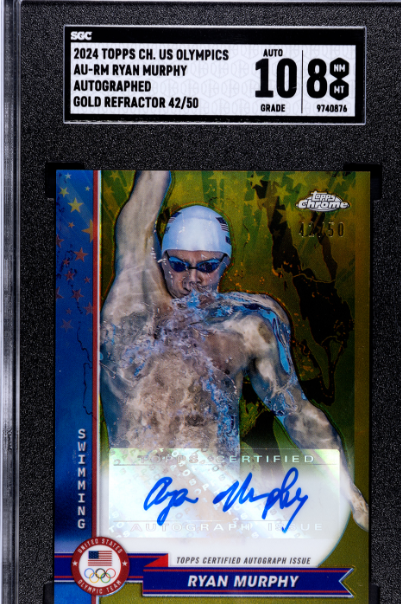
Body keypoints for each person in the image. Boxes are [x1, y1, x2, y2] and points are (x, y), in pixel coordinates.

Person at [100, 170, 369, 530]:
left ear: (224, 263)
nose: (192, 278)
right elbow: (149, 184)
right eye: (178, 265)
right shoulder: (134, 303)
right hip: (138, 508)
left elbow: (296, 412)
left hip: (213, 511)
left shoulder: (246, 329)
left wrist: (348, 488)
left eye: (207, 267)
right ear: (162, 260)